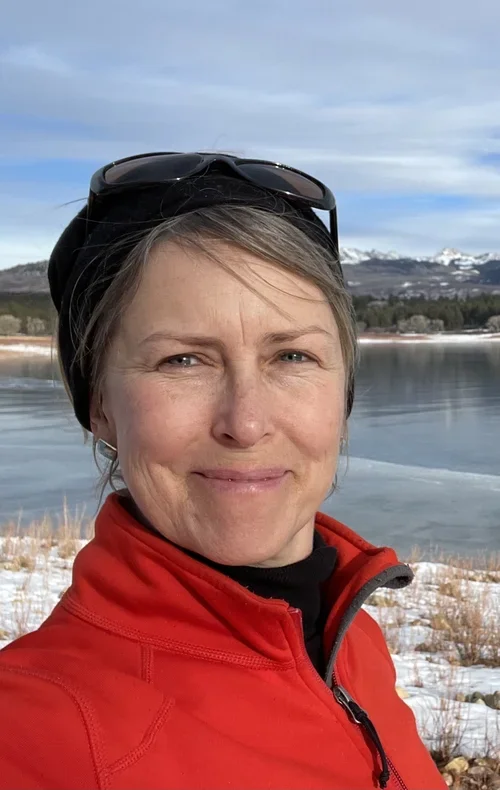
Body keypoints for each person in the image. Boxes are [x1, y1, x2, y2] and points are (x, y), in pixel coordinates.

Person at [0, 153, 445, 790]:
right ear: (98, 405)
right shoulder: (32, 731)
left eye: (292, 356)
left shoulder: (351, 640)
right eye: (183, 360)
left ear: (342, 396)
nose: (246, 422)